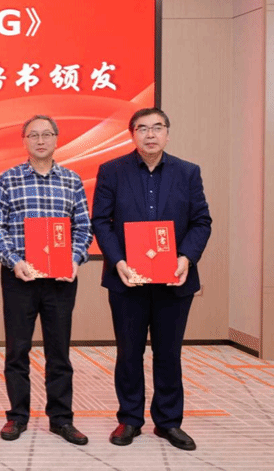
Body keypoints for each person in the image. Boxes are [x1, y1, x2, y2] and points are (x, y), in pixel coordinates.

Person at [92, 108, 212, 451]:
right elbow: (101, 221)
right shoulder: (112, 171)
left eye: (157, 128)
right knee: (129, 353)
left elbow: (201, 221)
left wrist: (185, 257)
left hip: (174, 280)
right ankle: (129, 419)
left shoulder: (188, 172)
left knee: (168, 353)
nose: (150, 134)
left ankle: (169, 422)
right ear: (132, 135)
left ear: (167, 134)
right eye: (142, 128)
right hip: (127, 280)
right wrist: (117, 261)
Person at [0, 115, 93, 445]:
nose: (40, 140)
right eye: (33, 135)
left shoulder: (72, 180)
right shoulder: (8, 179)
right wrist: (14, 261)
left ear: (56, 139)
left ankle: (61, 419)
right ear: (24, 141)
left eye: (46, 134)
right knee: (17, 351)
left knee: (59, 352)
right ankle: (17, 416)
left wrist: (75, 258)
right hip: (19, 277)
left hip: (61, 280)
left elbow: (83, 228)